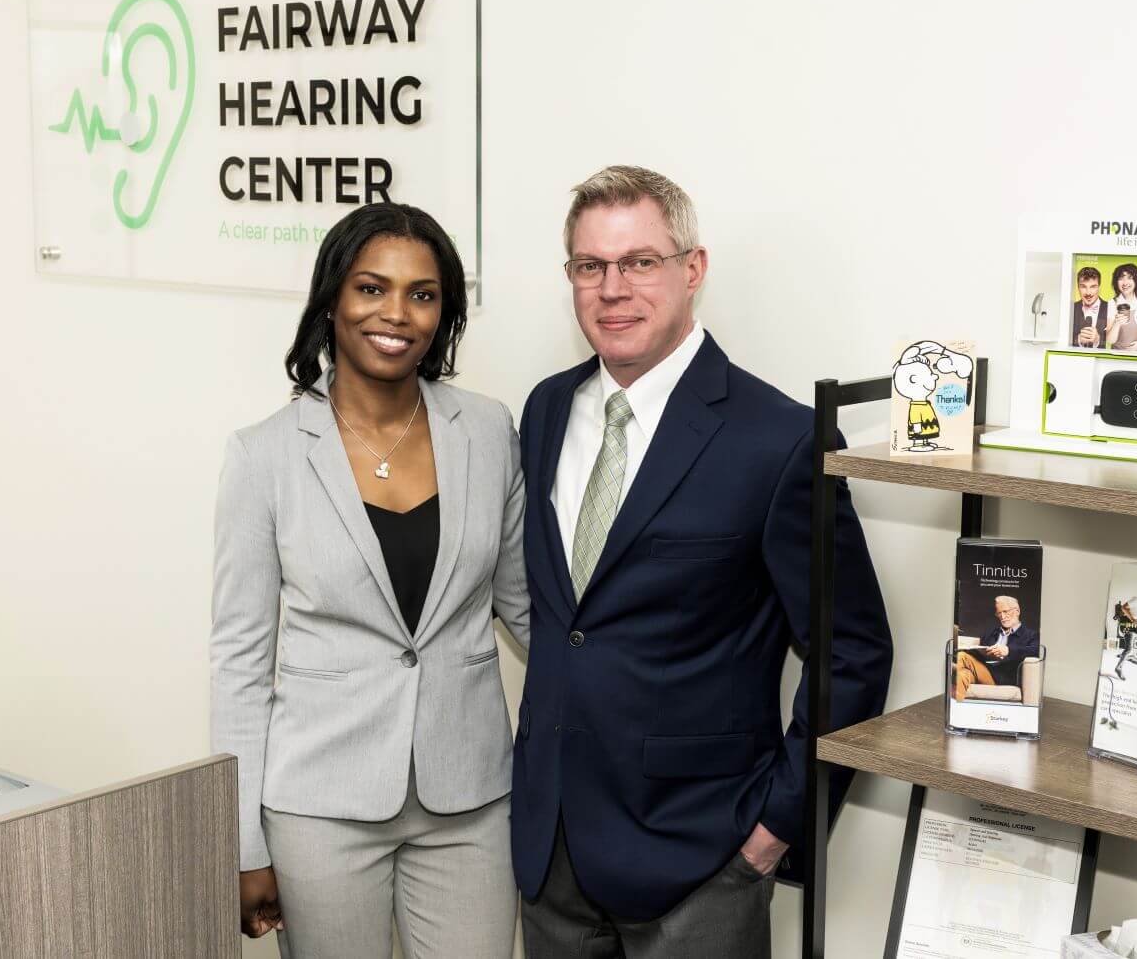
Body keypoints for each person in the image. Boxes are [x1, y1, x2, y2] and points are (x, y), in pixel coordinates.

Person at [511, 165, 892, 958]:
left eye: (640, 261)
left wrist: (776, 826)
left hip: (699, 865)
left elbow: (852, 652)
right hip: (550, 856)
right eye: (591, 266)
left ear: (693, 269)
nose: (612, 288)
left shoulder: (780, 439)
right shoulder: (546, 410)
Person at [210, 202, 529, 959]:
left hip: (470, 798)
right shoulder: (265, 456)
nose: (396, 313)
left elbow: (529, 610)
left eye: (422, 294)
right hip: (321, 806)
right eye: (371, 288)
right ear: (333, 299)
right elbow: (239, 664)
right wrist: (243, 841)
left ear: (444, 312)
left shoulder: (488, 430)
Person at [952, 596, 1038, 701]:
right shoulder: (991, 633)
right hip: (985, 672)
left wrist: (1008, 650)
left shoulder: (1030, 635)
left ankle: (952, 667)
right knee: (962, 674)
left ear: (1017, 611)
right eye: (999, 613)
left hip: (1004, 678)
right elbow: (980, 656)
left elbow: (1035, 650)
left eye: (1005, 611)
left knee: (961, 657)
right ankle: (958, 710)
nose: (1002, 616)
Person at [1105, 262, 1137, 351]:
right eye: (1121, 278)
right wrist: (1117, 323)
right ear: (1116, 282)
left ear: (1136, 281)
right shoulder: (1112, 303)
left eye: (1129, 278)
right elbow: (1110, 340)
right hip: (1118, 357)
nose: (1125, 283)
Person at [1070, 266, 1111, 348]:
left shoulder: (1111, 308)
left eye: (1093, 287)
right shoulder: (1070, 309)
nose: (1088, 292)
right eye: (1083, 286)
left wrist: (1098, 340)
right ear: (1078, 287)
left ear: (1099, 287)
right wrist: (1078, 340)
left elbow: (1117, 344)